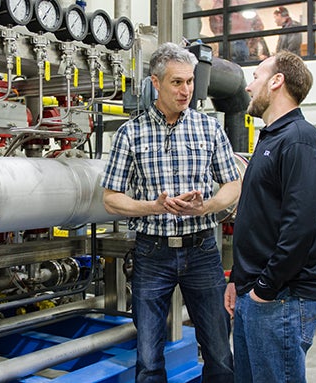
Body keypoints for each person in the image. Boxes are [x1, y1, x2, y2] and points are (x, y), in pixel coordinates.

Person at [100, 42, 240, 383]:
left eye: (190, 82)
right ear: (155, 83)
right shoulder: (129, 134)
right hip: (152, 252)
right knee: (148, 358)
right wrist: (152, 207)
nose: (186, 90)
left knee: (220, 353)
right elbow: (110, 198)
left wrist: (205, 206)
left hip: (203, 250)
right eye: (177, 82)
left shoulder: (209, 129)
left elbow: (234, 185)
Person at [224, 51, 316, 383]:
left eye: (255, 76)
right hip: (254, 292)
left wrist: (265, 289)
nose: (247, 87)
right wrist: (237, 280)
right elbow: (258, 219)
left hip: (280, 298)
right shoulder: (272, 138)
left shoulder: (299, 139)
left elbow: (300, 227)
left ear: (276, 80)